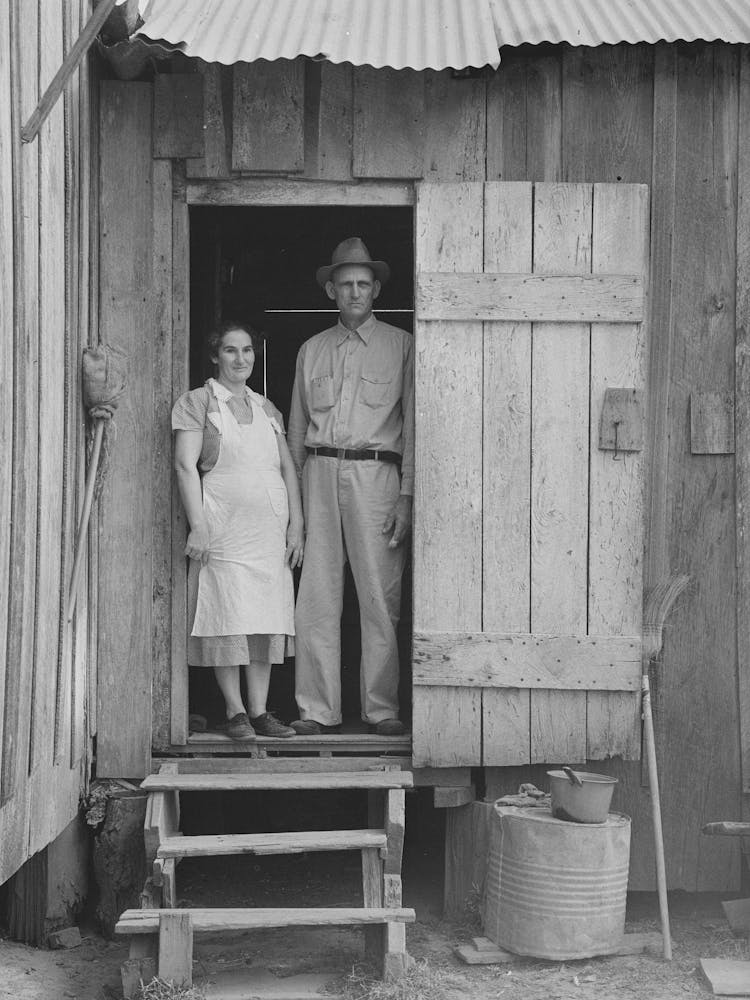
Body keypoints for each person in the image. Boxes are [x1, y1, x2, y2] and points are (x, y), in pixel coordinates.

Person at [287, 237, 414, 737]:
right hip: (318, 475)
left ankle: (381, 709)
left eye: (363, 283)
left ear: (376, 289)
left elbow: (414, 427)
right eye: (345, 284)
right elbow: (296, 433)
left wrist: (407, 496)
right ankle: (316, 710)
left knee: (379, 598)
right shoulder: (311, 350)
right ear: (331, 291)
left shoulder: (402, 345)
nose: (355, 292)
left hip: (377, 477)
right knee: (316, 598)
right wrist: (294, 507)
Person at [172, 321, 303, 740]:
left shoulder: (267, 408)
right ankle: (235, 711)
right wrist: (198, 527)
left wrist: (297, 526)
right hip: (224, 527)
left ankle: (260, 711)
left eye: (247, 350)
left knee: (265, 615)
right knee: (226, 612)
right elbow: (184, 466)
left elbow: (287, 469)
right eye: (230, 350)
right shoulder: (197, 403)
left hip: (268, 532)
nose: (240, 358)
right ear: (216, 355)